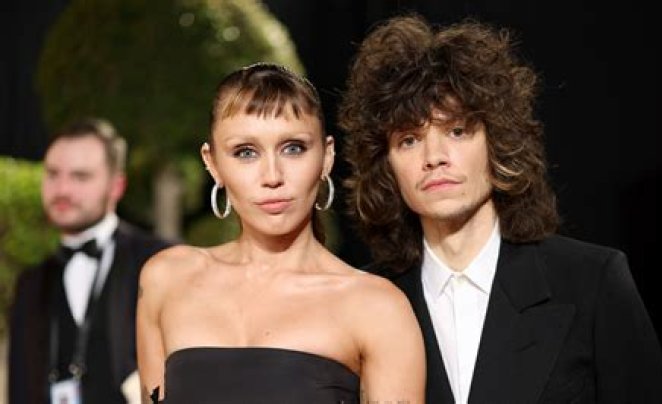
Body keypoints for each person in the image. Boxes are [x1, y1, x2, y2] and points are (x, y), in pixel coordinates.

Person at [339, 14, 662, 404]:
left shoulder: (591, 282)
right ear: (386, 164)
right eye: (409, 140)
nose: (434, 156)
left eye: (457, 131)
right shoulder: (364, 302)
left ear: (497, 141)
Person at [136, 62, 425, 404]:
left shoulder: (375, 306)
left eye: (293, 148)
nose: (272, 176)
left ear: (327, 156)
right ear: (212, 164)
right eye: (246, 152)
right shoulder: (167, 280)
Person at [8, 117, 172, 404]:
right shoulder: (30, 282)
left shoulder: (160, 261)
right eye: (53, 174)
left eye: (80, 177)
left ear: (116, 186)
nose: (62, 190)